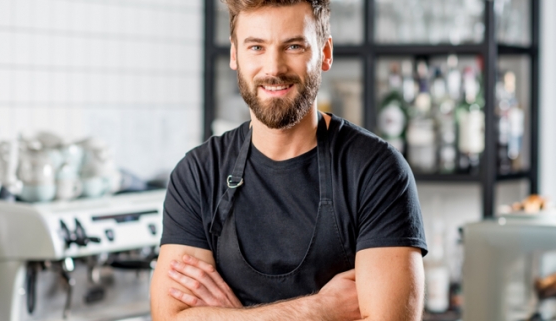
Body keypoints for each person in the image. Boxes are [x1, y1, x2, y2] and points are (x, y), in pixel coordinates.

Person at [149, 0, 427, 320]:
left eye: (293, 46)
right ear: (234, 55)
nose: (273, 68)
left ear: (325, 53)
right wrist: (319, 310)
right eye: (256, 47)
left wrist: (228, 316)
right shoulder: (198, 173)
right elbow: (170, 317)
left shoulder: (376, 170)